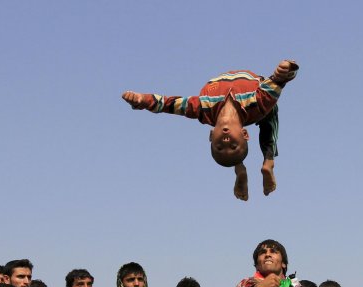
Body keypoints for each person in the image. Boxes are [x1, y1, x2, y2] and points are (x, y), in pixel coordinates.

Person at [121, 60, 299, 201]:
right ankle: (268, 161)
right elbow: (278, 81)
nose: (226, 142)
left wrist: (142, 100)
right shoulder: (257, 102)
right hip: (255, 98)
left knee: (233, 152)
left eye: (219, 146)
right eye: (233, 145)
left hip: (215, 89)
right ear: (245, 134)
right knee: (270, 111)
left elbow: (169, 104)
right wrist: (286, 70)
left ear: (211, 135)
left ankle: (240, 167)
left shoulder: (203, 109)